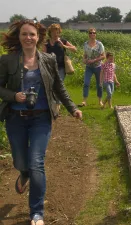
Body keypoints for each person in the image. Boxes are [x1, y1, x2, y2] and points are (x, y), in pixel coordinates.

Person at [0, 20, 82, 225]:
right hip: (15, 119)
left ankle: (36, 213)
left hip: (41, 118)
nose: (28, 38)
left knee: (37, 162)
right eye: (24, 34)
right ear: (19, 37)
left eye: (32, 35)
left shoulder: (48, 59)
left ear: (38, 38)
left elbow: (59, 87)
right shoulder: (7, 61)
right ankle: (24, 174)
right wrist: (13, 96)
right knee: (21, 162)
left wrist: (73, 108)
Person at [42, 23, 77, 112]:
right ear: (50, 32)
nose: (56, 34)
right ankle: (54, 103)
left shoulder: (63, 41)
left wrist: (64, 46)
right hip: (50, 68)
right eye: (54, 32)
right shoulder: (46, 43)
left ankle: (57, 106)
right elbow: (43, 56)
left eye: (57, 32)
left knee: (58, 84)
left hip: (61, 68)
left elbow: (74, 49)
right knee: (52, 86)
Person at [79, 28, 105, 107]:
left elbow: (103, 56)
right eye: (91, 33)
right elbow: (85, 55)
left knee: (99, 84)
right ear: (88, 34)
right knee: (86, 83)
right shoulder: (85, 44)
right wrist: (84, 60)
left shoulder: (99, 44)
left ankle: (100, 100)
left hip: (98, 67)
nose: (92, 34)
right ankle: (84, 101)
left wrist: (94, 60)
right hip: (89, 67)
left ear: (96, 34)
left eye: (94, 33)